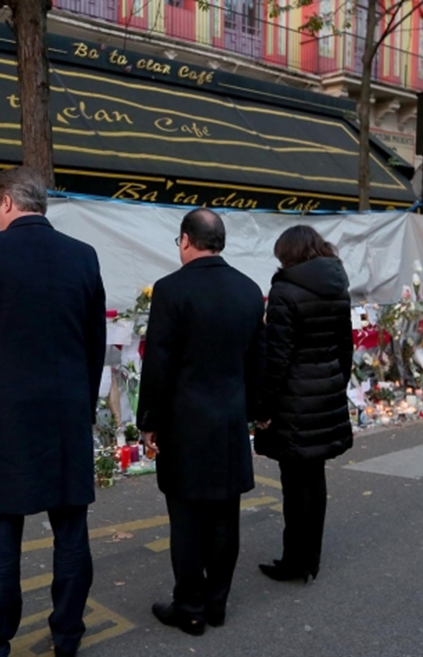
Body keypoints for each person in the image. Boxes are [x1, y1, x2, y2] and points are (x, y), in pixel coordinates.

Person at [0, 166, 107, 657]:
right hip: (65, 413)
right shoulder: (83, 256)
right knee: (71, 531)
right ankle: (68, 636)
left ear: (7, 202)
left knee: (1, 534)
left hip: (3, 415)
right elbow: (94, 343)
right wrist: (84, 402)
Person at [136, 208, 265, 636]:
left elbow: (158, 362)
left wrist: (149, 419)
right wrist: (257, 412)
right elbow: (256, 361)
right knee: (226, 516)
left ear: (186, 240)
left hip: (183, 422)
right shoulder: (249, 290)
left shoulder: (172, 290)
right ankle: (217, 602)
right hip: (229, 421)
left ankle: (189, 606)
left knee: (187, 518)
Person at [254, 225, 353, 583]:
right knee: (315, 478)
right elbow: (346, 346)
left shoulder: (284, 291)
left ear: (288, 254)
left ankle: (295, 562)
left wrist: (262, 407)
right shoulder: (337, 286)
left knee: (295, 483)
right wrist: (336, 385)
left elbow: (277, 357)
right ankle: (311, 558)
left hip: (293, 399)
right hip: (325, 393)